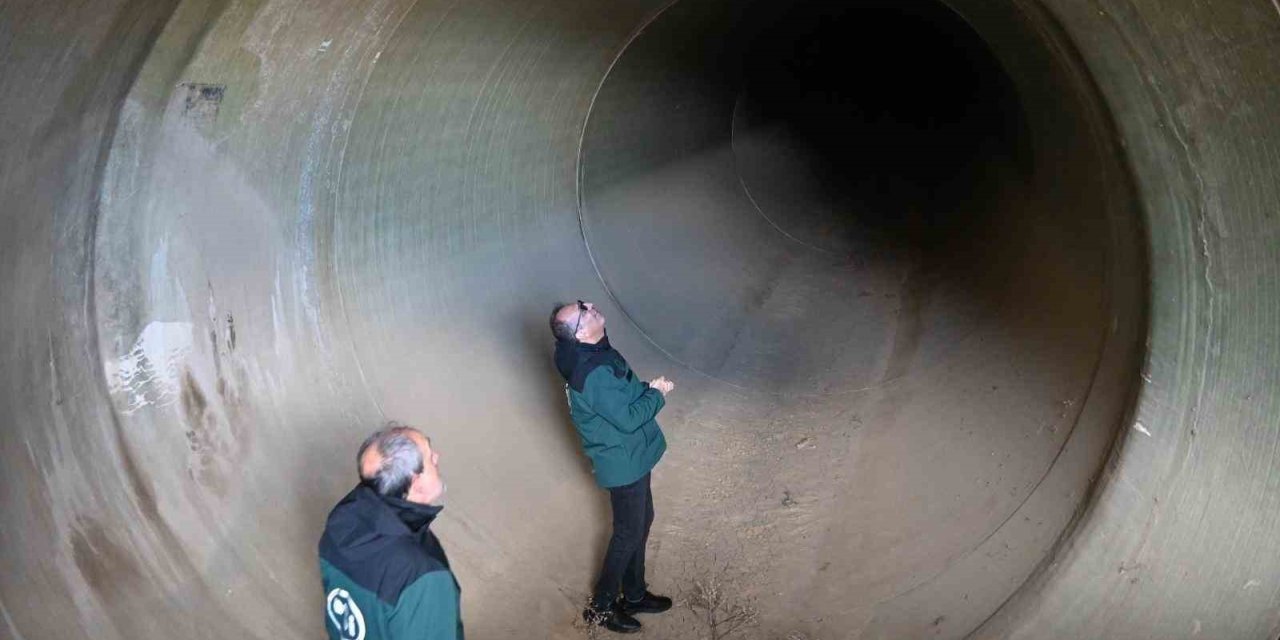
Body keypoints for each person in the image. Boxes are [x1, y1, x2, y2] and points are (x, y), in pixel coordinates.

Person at [550, 300, 675, 634]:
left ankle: (633, 594)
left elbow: (622, 395)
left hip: (631, 455)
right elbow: (628, 418)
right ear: (580, 334)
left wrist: (645, 390)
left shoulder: (596, 353)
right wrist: (657, 394)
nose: (590, 305)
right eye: (583, 309)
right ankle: (601, 608)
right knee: (627, 533)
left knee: (641, 521)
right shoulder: (591, 373)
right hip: (622, 463)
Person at [318, 425, 463, 640]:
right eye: (429, 456)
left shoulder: (341, 524)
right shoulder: (422, 578)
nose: (436, 457)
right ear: (415, 481)